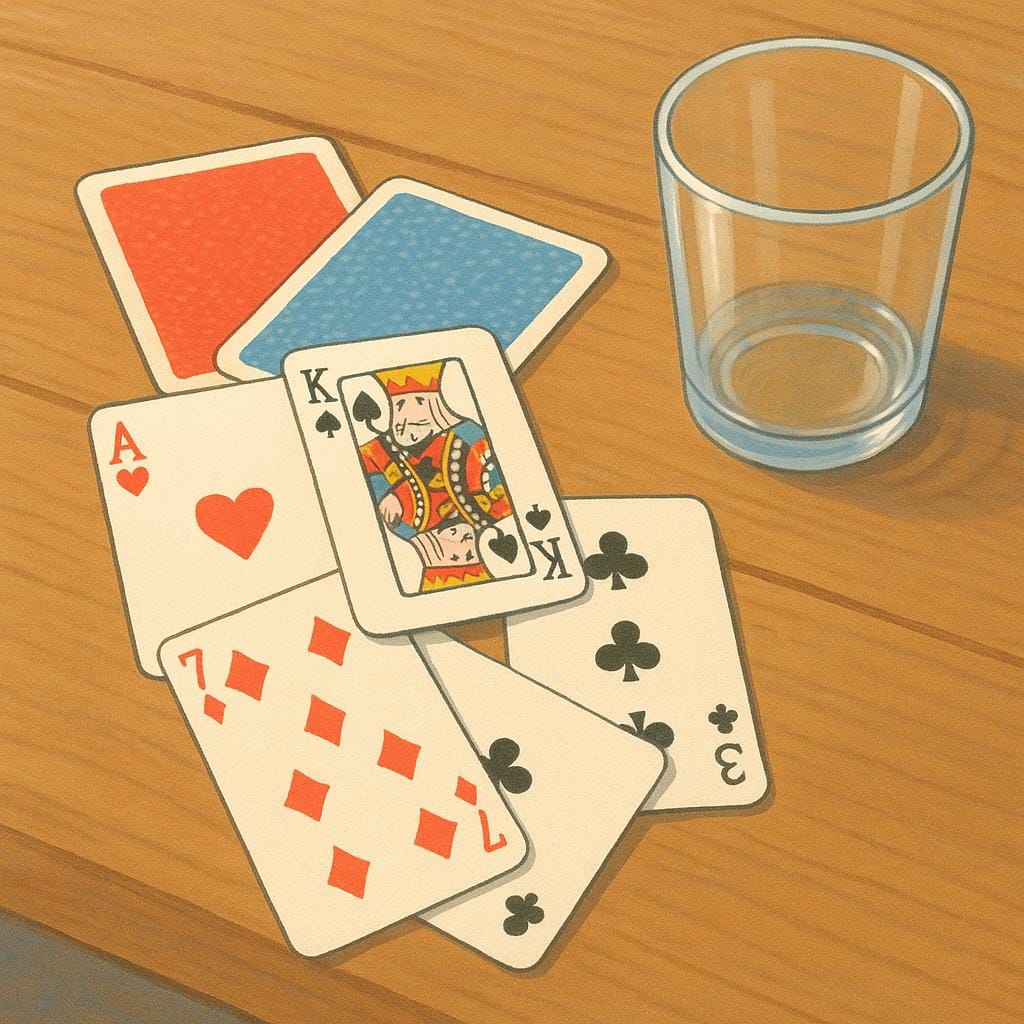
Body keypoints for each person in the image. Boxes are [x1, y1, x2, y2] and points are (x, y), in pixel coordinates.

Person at [358, 361, 514, 591]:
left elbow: (503, 483)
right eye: (400, 404)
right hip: (424, 554)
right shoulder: (377, 448)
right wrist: (386, 496)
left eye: (419, 402)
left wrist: (482, 521)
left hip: (476, 542)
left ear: (435, 404)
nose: (408, 414)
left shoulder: (470, 435)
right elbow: (364, 476)